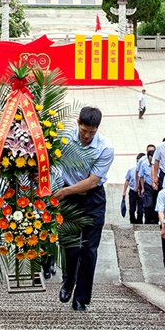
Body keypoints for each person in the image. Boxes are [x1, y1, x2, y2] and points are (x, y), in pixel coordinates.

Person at [55, 106, 114, 312]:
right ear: (78, 123)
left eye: (92, 132)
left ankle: (81, 298)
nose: (87, 135)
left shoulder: (105, 148)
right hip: (69, 200)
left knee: (89, 250)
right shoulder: (62, 139)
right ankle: (68, 281)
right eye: (84, 130)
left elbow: (92, 182)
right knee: (70, 248)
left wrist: (66, 191)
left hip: (93, 199)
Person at [139, 144, 159, 224]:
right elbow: (141, 176)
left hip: (157, 185)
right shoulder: (144, 164)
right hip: (148, 185)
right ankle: (148, 220)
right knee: (148, 204)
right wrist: (142, 188)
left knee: (156, 203)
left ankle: (155, 220)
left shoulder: (158, 163)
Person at [123, 155, 143, 224]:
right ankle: (132, 222)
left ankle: (139, 223)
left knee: (140, 211)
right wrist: (124, 191)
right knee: (132, 210)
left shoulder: (144, 170)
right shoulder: (131, 169)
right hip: (133, 192)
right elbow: (127, 180)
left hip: (141, 192)